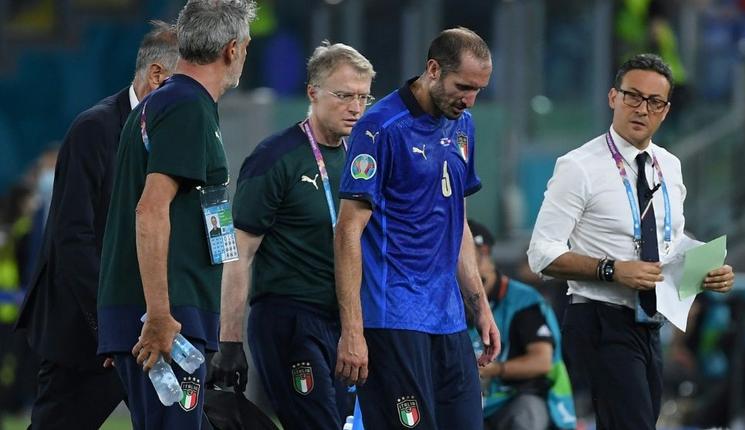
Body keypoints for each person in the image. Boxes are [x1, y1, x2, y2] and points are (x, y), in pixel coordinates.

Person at [527, 53, 735, 429]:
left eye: (654, 102)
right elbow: (541, 253)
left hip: (651, 322)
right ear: (613, 97)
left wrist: (705, 270)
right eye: (633, 97)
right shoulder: (578, 166)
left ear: (666, 111)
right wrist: (612, 270)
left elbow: (667, 241)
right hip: (599, 316)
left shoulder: (669, 166)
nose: (642, 109)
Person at [96, 1, 255, 428]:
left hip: (160, 312)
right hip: (169, 319)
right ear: (232, 49)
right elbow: (149, 209)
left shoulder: (164, 103)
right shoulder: (186, 105)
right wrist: (159, 315)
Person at [334, 27, 501, 430]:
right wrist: (353, 331)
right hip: (392, 318)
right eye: (463, 86)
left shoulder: (463, 126)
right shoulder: (380, 128)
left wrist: (480, 306)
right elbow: (347, 231)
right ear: (432, 69)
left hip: (447, 319)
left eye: (479, 90)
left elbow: (455, 219)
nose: (470, 99)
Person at [14, 21, 178, 430]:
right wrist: (109, 324)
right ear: (157, 75)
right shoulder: (95, 128)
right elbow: (72, 237)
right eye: (187, 84)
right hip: (87, 330)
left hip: (151, 327)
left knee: (185, 420)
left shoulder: (176, 135)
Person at [207, 40, 375, 429]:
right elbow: (239, 252)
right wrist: (229, 341)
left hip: (347, 320)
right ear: (312, 93)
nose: (356, 107)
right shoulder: (274, 157)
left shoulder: (362, 158)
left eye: (364, 97)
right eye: (344, 95)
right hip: (290, 317)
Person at [466, 220, 576, 430]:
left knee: (525, 415)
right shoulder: (448, 298)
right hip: (468, 400)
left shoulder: (522, 301)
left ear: (484, 251)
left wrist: (495, 369)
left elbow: (542, 361)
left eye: (464, 251)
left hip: (517, 398)